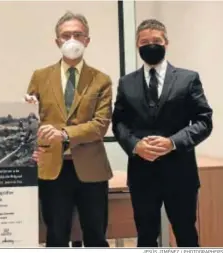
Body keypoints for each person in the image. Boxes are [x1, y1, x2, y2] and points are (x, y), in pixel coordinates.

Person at [112, 19, 213, 247]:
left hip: (180, 173)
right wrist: (135, 145)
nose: (151, 45)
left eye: (156, 40)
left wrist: (172, 142)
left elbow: (203, 121)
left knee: (186, 233)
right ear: (137, 46)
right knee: (146, 236)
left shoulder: (188, 78)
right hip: (141, 174)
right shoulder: (126, 83)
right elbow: (118, 123)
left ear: (166, 42)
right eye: (144, 41)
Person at [25, 12, 112, 247]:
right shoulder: (40, 76)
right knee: (56, 236)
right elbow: (31, 120)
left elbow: (100, 124)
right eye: (66, 35)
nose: (71, 40)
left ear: (87, 40)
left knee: (95, 236)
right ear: (57, 41)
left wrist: (64, 134)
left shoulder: (101, 80)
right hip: (52, 168)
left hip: (91, 168)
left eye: (77, 34)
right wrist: (27, 111)